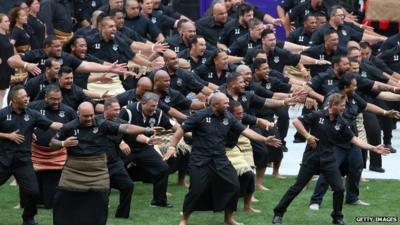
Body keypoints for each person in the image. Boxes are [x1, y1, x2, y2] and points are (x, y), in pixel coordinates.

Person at [272, 93, 390, 225]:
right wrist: (307, 136)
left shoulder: (341, 122)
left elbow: (354, 139)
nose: (344, 108)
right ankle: (278, 213)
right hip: (312, 158)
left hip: (329, 159)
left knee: (339, 189)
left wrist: (373, 148)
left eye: (344, 106)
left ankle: (337, 217)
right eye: (342, 106)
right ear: (333, 105)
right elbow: (296, 121)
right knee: (297, 187)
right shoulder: (317, 115)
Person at [168, 92, 282, 225]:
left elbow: (245, 131)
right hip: (200, 159)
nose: (228, 105)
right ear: (215, 104)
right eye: (226, 103)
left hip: (220, 158)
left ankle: (228, 219)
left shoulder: (228, 117)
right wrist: (171, 147)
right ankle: (184, 219)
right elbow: (180, 130)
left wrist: (264, 139)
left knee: (233, 186)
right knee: (197, 189)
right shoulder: (200, 115)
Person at [50, 101, 160, 225]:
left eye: (91, 115)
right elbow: (52, 142)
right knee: (61, 199)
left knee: (100, 202)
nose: (89, 118)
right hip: (73, 172)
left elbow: (125, 127)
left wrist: (146, 130)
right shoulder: (69, 127)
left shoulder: (102, 125)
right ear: (78, 114)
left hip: (98, 172)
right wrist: (63, 143)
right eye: (86, 116)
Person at [0, 85, 63, 225]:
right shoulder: (3, 114)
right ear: (14, 99)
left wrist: (73, 125)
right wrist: (8, 136)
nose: (26, 99)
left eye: (27, 96)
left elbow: (53, 125)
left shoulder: (32, 114)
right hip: (3, 160)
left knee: (33, 192)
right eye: (23, 97)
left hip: (23, 161)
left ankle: (28, 218)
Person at [29, 85, 76, 208]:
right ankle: (31, 202)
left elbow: (75, 131)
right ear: (45, 97)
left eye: (59, 99)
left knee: (51, 201)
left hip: (57, 155)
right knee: (33, 184)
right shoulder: (34, 107)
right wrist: (30, 132)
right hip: (36, 153)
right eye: (53, 99)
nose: (56, 102)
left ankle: (50, 201)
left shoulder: (69, 111)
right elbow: (24, 121)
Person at [97, 98, 135, 218]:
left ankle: (122, 215)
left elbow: (133, 133)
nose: (118, 112)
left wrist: (148, 138)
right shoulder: (95, 121)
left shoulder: (120, 123)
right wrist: (120, 142)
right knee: (102, 192)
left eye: (119, 109)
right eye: (115, 110)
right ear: (106, 109)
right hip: (98, 163)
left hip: (115, 162)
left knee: (128, 185)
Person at [0, 13, 14, 107]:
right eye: (6, 21)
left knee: (3, 93)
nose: (8, 23)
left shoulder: (6, 36)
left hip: (7, 68)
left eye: (8, 21)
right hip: (1, 69)